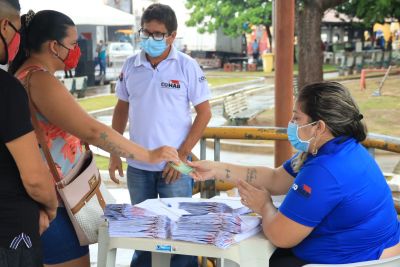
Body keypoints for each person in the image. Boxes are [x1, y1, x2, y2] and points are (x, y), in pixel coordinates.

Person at [9, 9, 180, 267]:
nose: (77, 50)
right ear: (54, 46)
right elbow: (91, 130)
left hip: (48, 202)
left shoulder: (26, 75)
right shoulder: (40, 80)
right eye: (73, 44)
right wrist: (149, 155)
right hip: (53, 205)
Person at [188, 81, 400, 266]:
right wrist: (216, 169)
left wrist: (263, 206)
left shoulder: (324, 170)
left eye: (296, 118)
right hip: (376, 254)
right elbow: (275, 179)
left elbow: (281, 236)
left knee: (255, 258)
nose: (291, 124)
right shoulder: (343, 148)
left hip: (353, 261)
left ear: (318, 127)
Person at [109, 3, 211, 267]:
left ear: (172, 36)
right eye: (145, 32)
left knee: (179, 234)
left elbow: (204, 113)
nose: (150, 39)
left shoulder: (187, 66)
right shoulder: (131, 66)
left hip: (176, 167)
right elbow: (121, 110)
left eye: (157, 34)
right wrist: (114, 153)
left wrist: (182, 156)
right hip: (138, 167)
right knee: (143, 232)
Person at [0, 1, 58, 266]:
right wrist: (50, 206)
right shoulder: (6, 90)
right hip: (10, 235)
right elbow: (34, 179)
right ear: (4, 26)